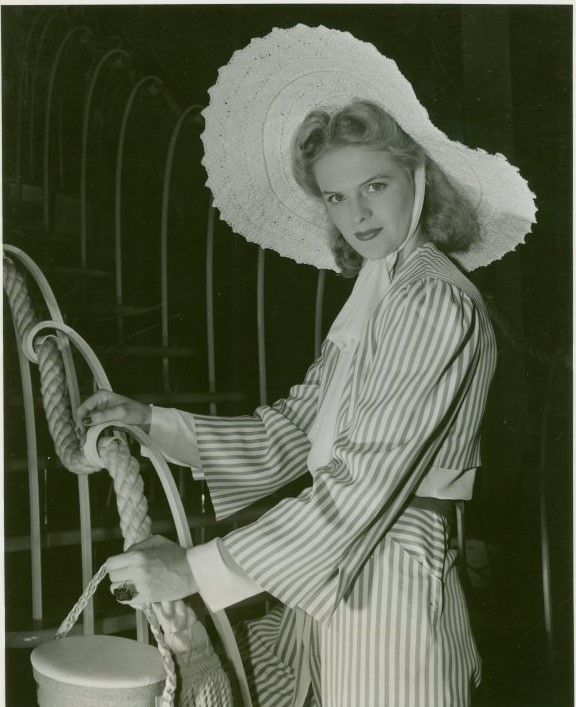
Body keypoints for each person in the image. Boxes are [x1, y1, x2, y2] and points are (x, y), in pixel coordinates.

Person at [76, 25, 536, 707]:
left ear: (417, 176)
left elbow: (358, 486)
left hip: (390, 590)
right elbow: (290, 432)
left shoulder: (432, 298)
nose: (357, 213)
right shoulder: (379, 291)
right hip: (339, 577)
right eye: (335, 196)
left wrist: (195, 569)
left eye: (374, 184)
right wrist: (152, 423)